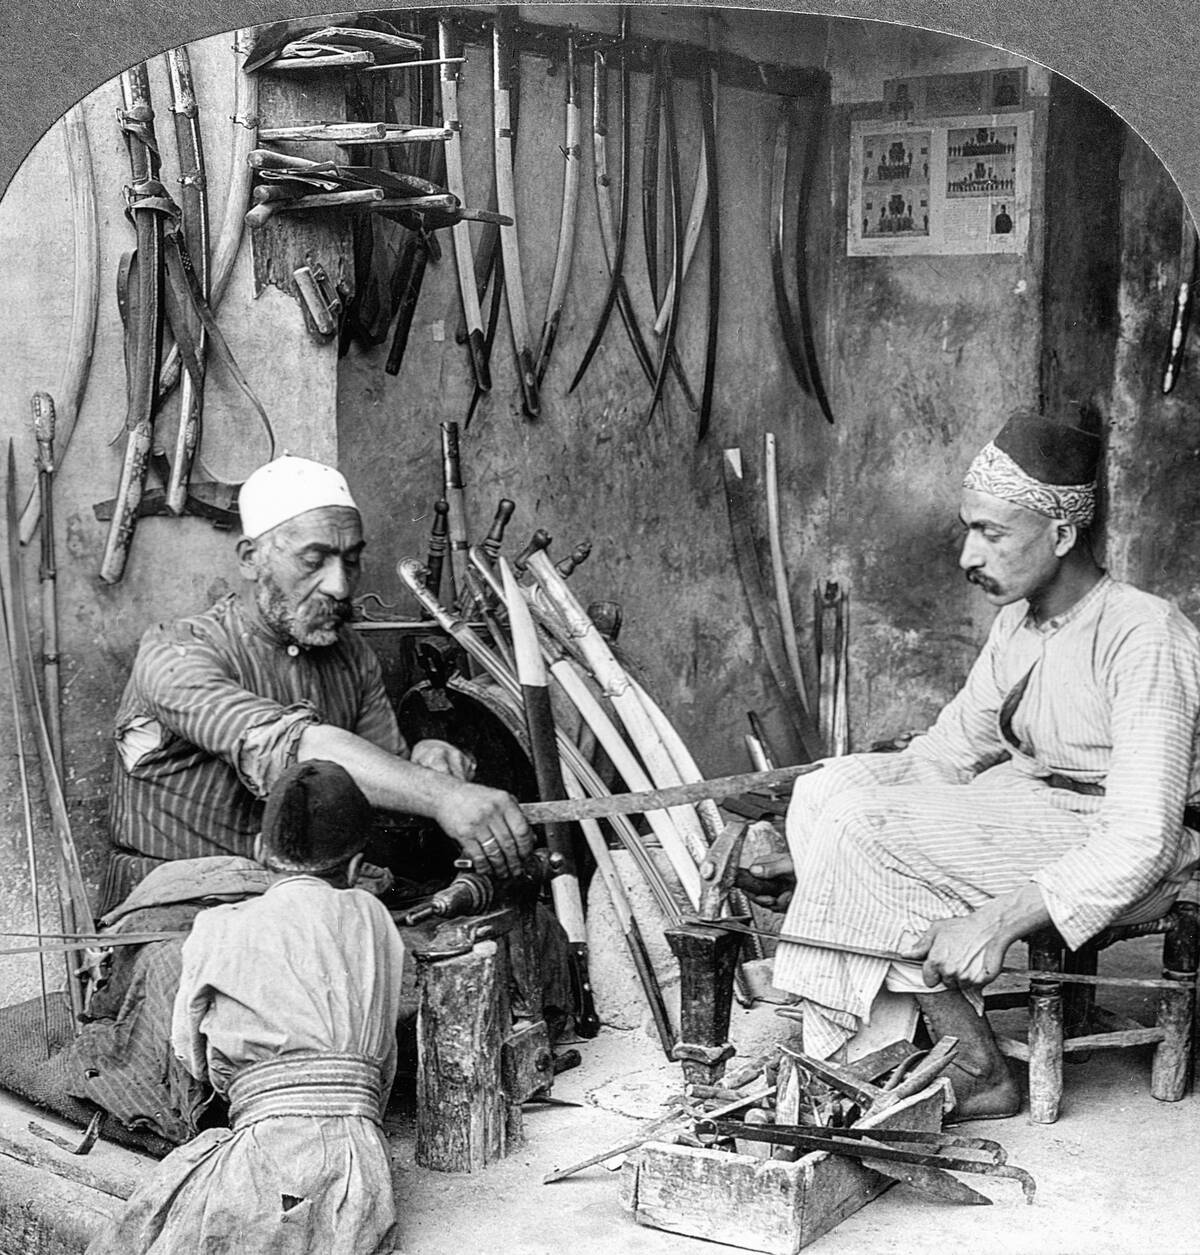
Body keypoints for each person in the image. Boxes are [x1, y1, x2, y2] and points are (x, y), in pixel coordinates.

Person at [744, 410, 1200, 1120]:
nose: (968, 555)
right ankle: (870, 1015)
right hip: (1032, 808)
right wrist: (818, 845)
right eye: (969, 528)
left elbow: (1141, 837)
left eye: (992, 532)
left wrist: (996, 920)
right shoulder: (1017, 625)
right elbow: (947, 752)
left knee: (867, 833)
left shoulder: (1145, 634)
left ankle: (973, 1064)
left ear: (1062, 533)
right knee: (827, 789)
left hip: (1129, 850)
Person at [104, 453, 533, 912]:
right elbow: (288, 750)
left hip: (299, 900)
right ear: (251, 559)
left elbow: (383, 781)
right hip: (179, 901)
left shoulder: (350, 656)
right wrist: (445, 796)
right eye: (315, 561)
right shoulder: (177, 652)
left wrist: (425, 764)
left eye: (351, 562)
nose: (341, 587)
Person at [87, 758, 406, 1255]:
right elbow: (383, 1056)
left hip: (266, 1156)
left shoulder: (220, 925)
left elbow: (189, 1054)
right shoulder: (374, 916)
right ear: (354, 866)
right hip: (364, 1165)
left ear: (260, 852)